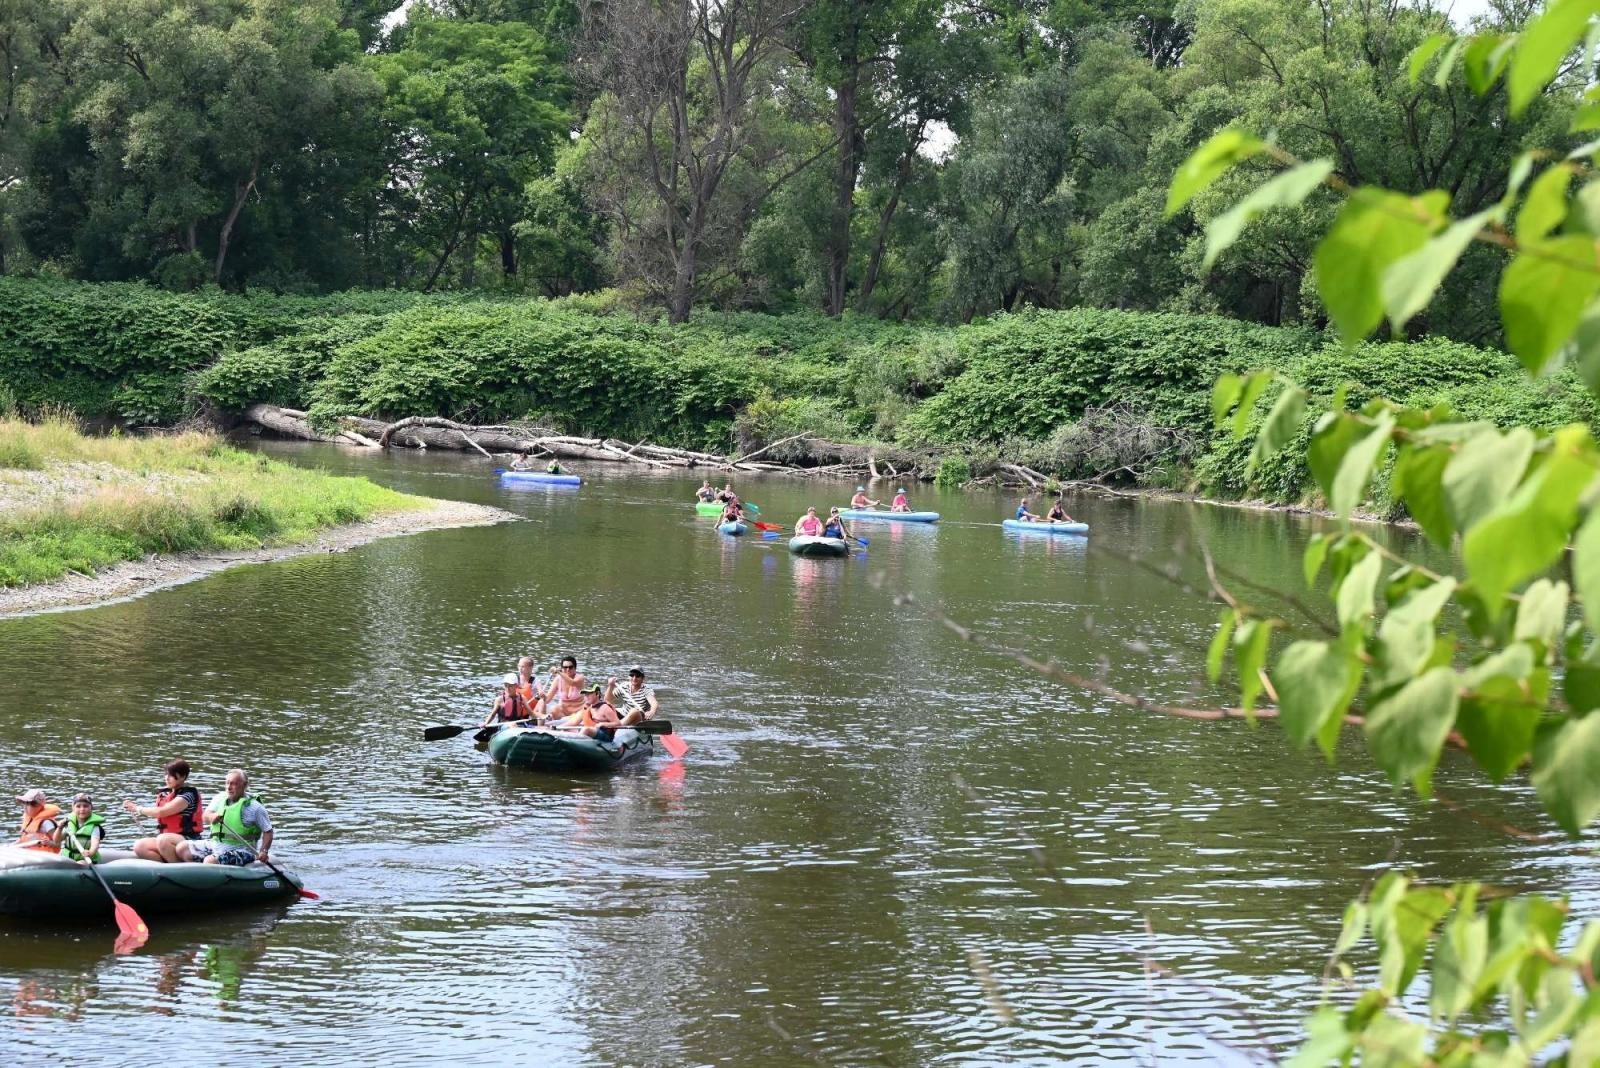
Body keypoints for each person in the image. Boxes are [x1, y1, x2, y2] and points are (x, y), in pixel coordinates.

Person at [179, 769, 272, 867]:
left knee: (210, 861)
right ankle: (200, 874)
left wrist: (264, 851)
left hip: (242, 850)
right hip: (216, 844)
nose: (229, 787)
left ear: (245, 785)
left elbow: (268, 831)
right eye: (227, 783)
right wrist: (211, 817)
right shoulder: (219, 798)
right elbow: (205, 816)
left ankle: (213, 876)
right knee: (182, 848)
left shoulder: (255, 807)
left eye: (233, 784)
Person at [124, 759, 204, 862]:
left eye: (171, 775)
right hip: (168, 839)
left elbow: (161, 812)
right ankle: (166, 869)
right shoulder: (165, 794)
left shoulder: (188, 795)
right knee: (139, 846)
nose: (167, 778)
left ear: (183, 777)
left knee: (162, 839)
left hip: (189, 840)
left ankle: (179, 871)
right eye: (166, 774)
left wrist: (137, 808)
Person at [557, 684, 622, 741]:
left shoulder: (605, 708)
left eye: (589, 694)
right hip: (591, 731)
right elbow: (573, 722)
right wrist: (557, 728)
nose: (586, 696)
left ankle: (575, 746)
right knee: (567, 729)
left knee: (586, 729)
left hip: (604, 735)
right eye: (585, 694)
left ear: (597, 694)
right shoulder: (587, 708)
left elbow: (618, 723)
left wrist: (603, 724)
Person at [59, 794, 105, 864]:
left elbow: (95, 844)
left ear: (91, 808)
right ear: (73, 808)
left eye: (85, 806)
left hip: (87, 859)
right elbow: (57, 840)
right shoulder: (68, 823)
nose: (82, 809)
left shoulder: (94, 827)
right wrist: (59, 828)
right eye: (78, 806)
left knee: (80, 863)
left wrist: (90, 852)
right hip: (69, 857)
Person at [543, 656, 587, 720]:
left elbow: (572, 683)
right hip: (563, 711)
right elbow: (547, 699)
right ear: (562, 668)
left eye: (570, 667)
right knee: (552, 709)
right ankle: (541, 721)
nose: (568, 669)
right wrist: (542, 696)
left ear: (575, 668)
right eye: (565, 667)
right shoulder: (558, 679)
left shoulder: (580, 678)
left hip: (578, 711)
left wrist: (559, 672)